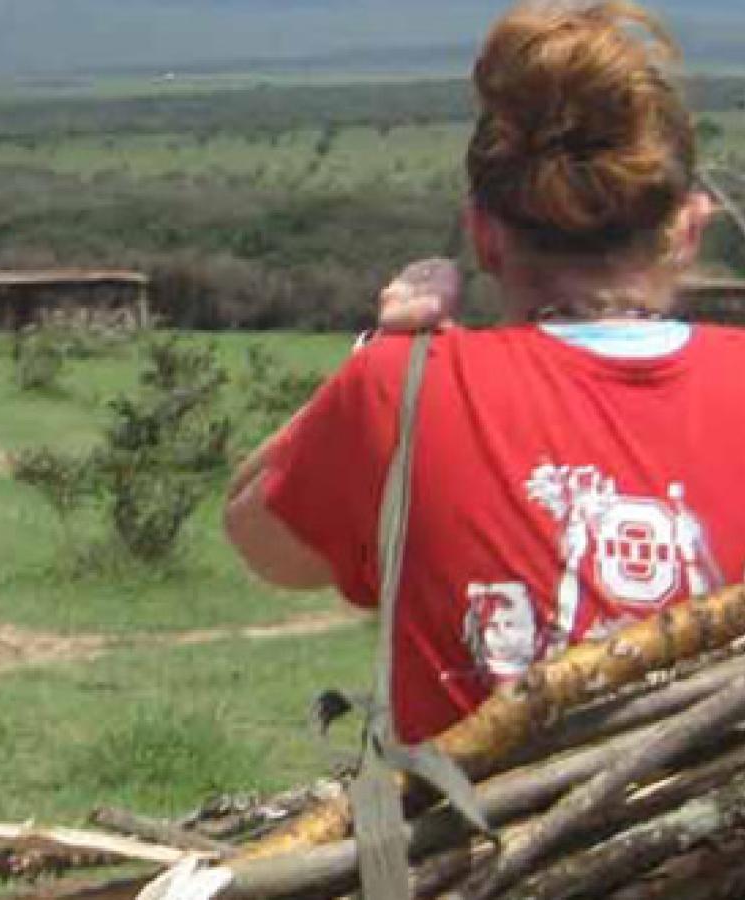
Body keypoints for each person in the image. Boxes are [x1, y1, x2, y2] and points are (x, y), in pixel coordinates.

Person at [224, 0, 743, 746]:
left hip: (476, 851)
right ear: (688, 230)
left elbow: (259, 538)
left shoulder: (404, 388)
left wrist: (386, 346)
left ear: (485, 237)